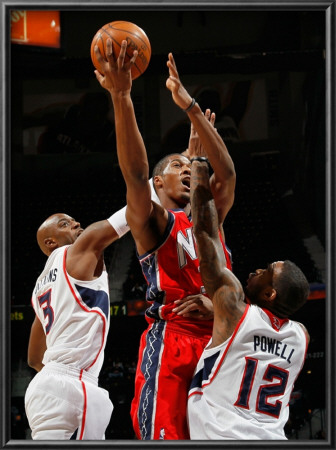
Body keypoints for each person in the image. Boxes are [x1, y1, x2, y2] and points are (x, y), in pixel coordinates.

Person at [94, 39, 236, 440]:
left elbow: (227, 177)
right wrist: (122, 96)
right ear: (160, 183)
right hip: (174, 340)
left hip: (220, 342)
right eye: (177, 166)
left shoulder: (209, 223)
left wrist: (192, 110)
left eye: (189, 164)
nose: (187, 168)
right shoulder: (155, 221)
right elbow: (136, 174)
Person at [187, 149, 310, 439]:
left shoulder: (233, 307)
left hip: (223, 436)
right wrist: (220, 311)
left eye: (267, 270)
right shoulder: (301, 337)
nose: (257, 269)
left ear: (269, 294)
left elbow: (205, 232)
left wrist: (199, 164)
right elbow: (260, 335)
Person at [24, 210, 128, 440]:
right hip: (73, 383)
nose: (77, 223)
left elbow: (33, 358)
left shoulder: (39, 286)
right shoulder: (77, 252)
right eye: (65, 224)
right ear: (50, 242)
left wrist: (57, 375)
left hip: (43, 388)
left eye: (73, 220)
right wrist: (157, 187)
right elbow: (129, 214)